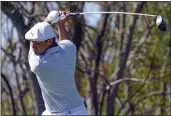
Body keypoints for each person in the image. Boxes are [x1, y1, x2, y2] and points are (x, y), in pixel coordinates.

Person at [25, 10, 88, 115]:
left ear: (49, 42)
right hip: (77, 110)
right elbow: (65, 41)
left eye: (38, 43)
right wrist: (61, 25)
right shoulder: (69, 50)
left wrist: (49, 19)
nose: (34, 45)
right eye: (33, 42)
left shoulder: (38, 64)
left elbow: (31, 50)